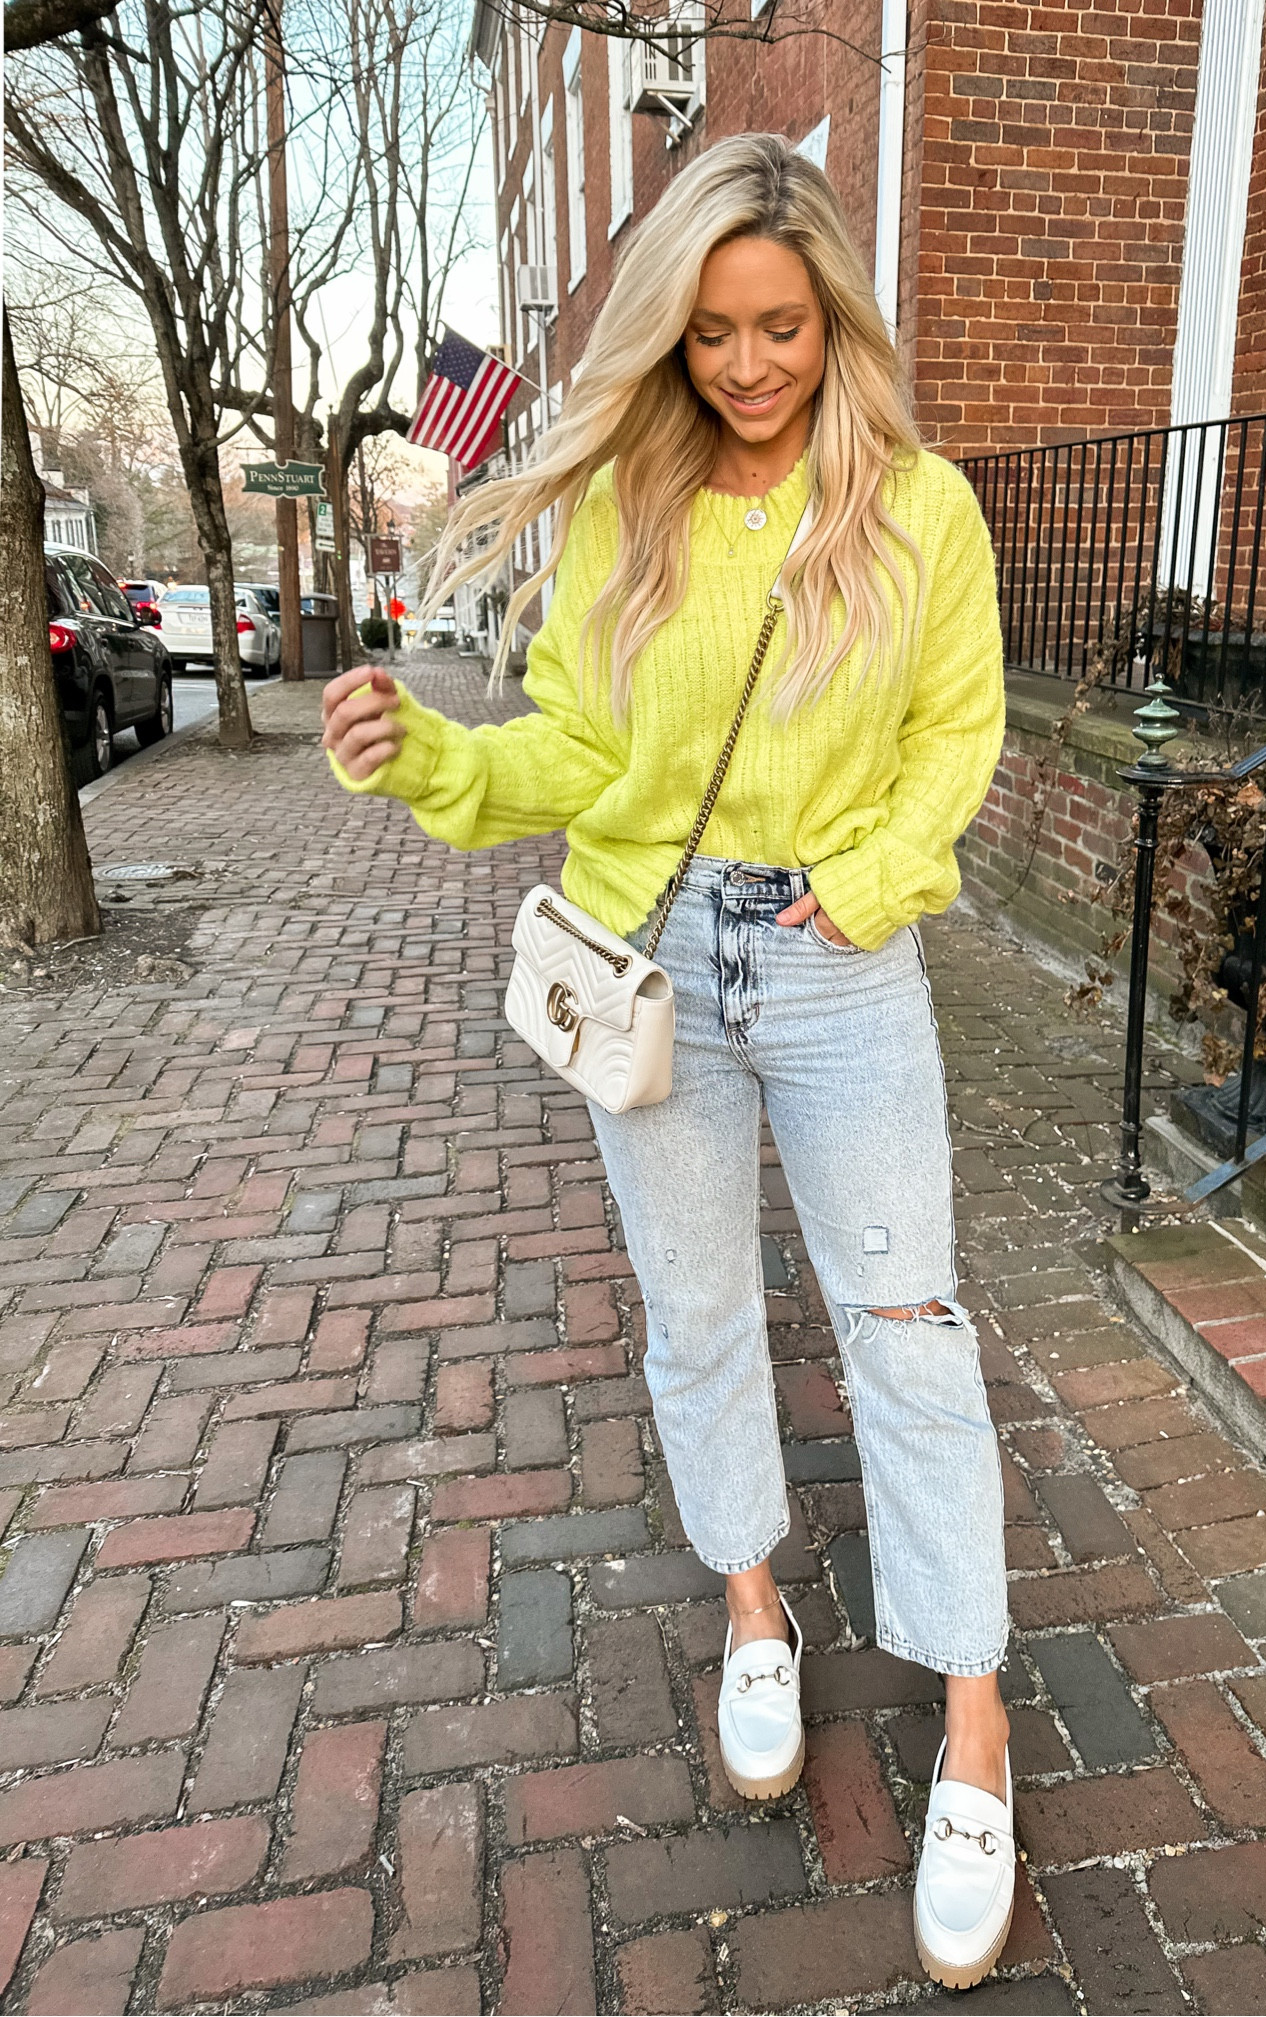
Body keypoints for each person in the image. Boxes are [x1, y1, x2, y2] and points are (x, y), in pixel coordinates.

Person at [322, 132, 1012, 1990]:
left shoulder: (919, 508)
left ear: (833, 318)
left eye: (779, 325)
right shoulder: (631, 504)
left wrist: (865, 888)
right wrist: (435, 764)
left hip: (842, 963)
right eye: (711, 332)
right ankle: (753, 1602)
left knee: (907, 1333)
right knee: (699, 1312)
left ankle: (972, 1725)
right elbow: (563, 748)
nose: (747, 365)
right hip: (657, 960)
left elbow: (957, 737)